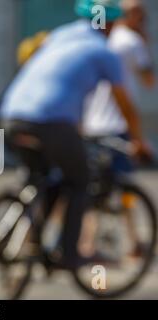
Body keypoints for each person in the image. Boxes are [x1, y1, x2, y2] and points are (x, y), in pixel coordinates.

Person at [0, 0, 152, 269]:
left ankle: (26, 242)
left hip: (11, 114)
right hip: (51, 123)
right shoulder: (104, 52)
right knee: (80, 181)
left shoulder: (60, 35)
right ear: (112, 23)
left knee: (43, 178)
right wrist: (139, 142)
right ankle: (68, 253)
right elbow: (126, 106)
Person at [82, 0, 155, 257]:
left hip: (91, 123)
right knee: (123, 186)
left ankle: (87, 243)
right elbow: (149, 81)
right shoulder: (132, 42)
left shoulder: (100, 40)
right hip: (116, 123)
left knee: (90, 185)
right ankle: (133, 242)